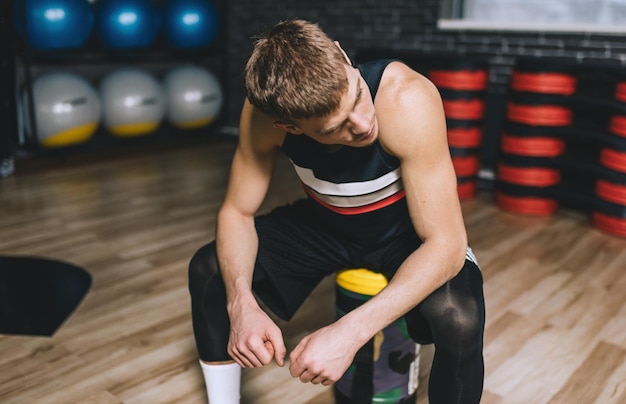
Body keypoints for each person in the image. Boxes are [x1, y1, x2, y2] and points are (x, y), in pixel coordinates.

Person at [188, 19, 486, 404]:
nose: (363, 124)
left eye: (358, 95)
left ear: (343, 55)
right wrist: (241, 305)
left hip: (405, 234)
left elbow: (446, 243)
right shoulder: (263, 118)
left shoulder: (407, 98)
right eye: (336, 127)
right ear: (289, 127)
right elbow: (237, 213)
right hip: (326, 224)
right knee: (208, 268)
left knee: (459, 316)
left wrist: (349, 331)